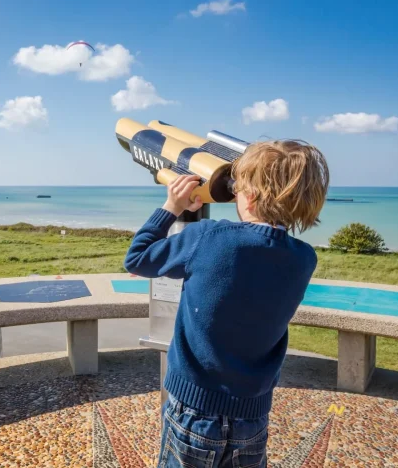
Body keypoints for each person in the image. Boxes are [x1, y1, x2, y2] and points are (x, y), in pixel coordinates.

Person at [124, 140, 329, 467]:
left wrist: (172, 207)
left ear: (252, 194)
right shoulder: (304, 258)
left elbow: (137, 259)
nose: (234, 193)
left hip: (193, 411)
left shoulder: (208, 236)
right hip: (252, 416)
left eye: (239, 186)